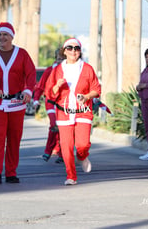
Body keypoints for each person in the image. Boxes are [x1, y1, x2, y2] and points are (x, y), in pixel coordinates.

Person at [0, 22, 36, 184]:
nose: (2, 38)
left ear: (12, 36)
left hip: (17, 102)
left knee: (14, 138)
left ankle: (11, 172)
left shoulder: (22, 54)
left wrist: (28, 90)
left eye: (5, 35)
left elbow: (31, 74)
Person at [45, 38, 101, 186]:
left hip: (83, 111)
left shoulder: (87, 68)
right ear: (64, 51)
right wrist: (57, 86)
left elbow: (96, 89)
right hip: (64, 113)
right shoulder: (57, 70)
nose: (73, 51)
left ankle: (82, 156)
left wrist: (87, 96)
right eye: (69, 48)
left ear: (80, 51)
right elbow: (49, 93)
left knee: (82, 144)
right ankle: (71, 176)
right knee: (66, 146)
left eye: (76, 48)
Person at [33, 49, 65, 163]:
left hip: (63, 103)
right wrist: (36, 99)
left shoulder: (69, 72)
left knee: (63, 128)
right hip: (50, 102)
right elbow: (40, 86)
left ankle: (62, 153)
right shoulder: (49, 70)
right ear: (56, 58)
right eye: (59, 59)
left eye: (63, 59)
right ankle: (48, 151)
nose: (61, 61)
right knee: (54, 125)